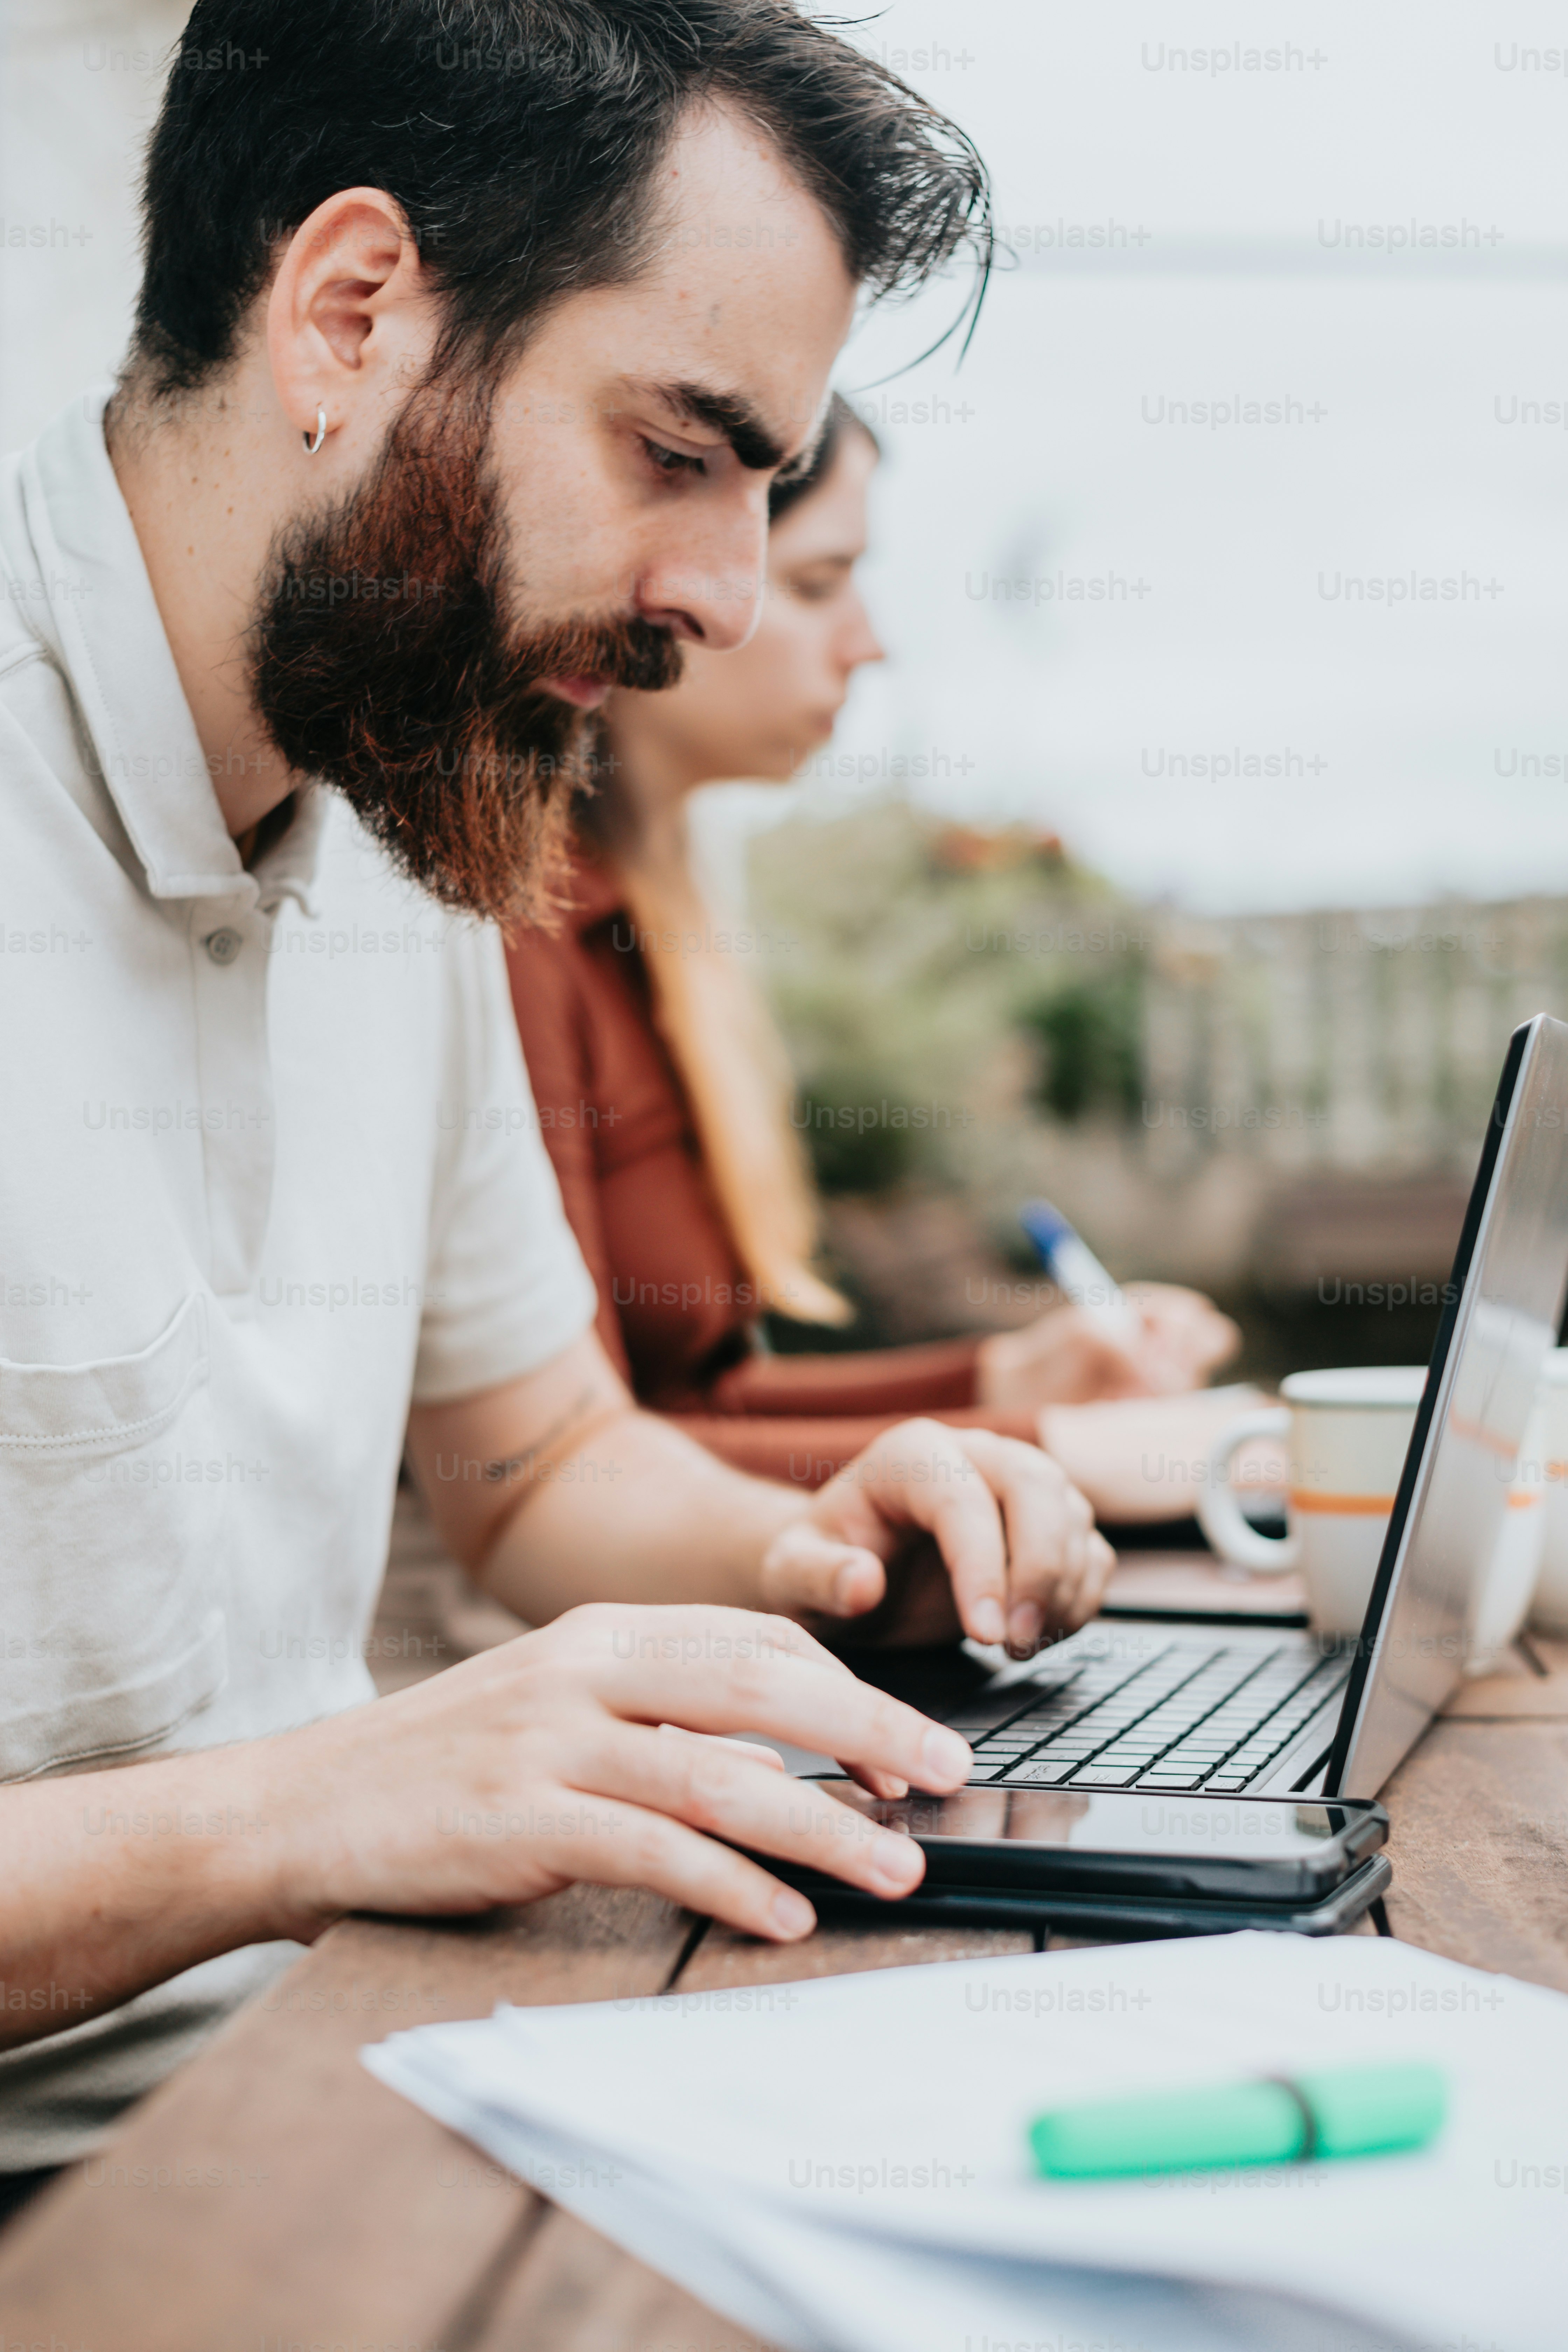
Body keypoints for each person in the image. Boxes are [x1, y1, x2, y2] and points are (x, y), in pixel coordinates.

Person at [0, 0, 1119, 2190]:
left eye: (766, 491)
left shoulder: (412, 759)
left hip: (356, 2073)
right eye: (676, 454)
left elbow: (532, 1465)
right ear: (351, 314)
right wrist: (302, 1807)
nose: (717, 594)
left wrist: (824, 1555)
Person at [505, 397, 1241, 1500]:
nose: (872, 641)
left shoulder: (659, 927)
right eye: (817, 584)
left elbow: (685, 1414)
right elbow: (578, 1474)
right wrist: (1052, 1454)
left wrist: (1006, 1379)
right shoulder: (519, 938)